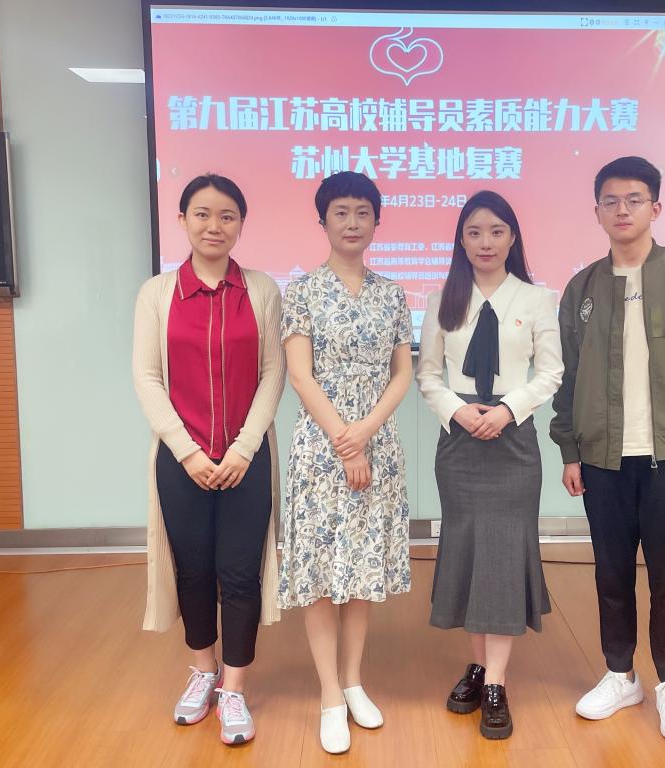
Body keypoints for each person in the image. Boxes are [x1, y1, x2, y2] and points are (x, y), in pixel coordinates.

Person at [550, 156, 665, 742]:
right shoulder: (582, 287)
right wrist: (569, 449)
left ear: (656, 207)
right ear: (597, 211)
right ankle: (620, 674)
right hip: (601, 459)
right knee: (611, 574)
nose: (621, 210)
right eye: (611, 201)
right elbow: (567, 377)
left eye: (633, 199)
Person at [133, 173, 285, 745]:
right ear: (182, 221)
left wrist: (244, 448)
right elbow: (147, 378)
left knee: (240, 573)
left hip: (248, 459)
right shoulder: (156, 294)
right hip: (181, 461)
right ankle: (203, 670)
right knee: (193, 569)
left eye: (227, 216)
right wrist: (188, 452)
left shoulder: (262, 290)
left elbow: (273, 373)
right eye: (202, 214)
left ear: (241, 224)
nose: (214, 226)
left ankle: (235, 688)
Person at [416, 190, 563, 740]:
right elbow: (428, 374)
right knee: (468, 552)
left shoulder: (537, 299)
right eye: (475, 232)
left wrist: (506, 410)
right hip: (459, 444)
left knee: (502, 556)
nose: (486, 242)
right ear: (461, 239)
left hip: (513, 442)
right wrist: (458, 411)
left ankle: (496, 682)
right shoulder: (442, 299)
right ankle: (477, 667)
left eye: (497, 231)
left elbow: (550, 373)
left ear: (512, 237)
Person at [279, 171, 413, 754]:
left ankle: (355, 681)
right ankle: (330, 696)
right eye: (341, 212)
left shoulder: (393, 293)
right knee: (318, 571)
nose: (353, 222)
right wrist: (345, 439)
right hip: (322, 447)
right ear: (323, 221)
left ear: (377, 221)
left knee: (361, 569)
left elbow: (402, 373)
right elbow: (299, 375)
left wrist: (367, 433)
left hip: (377, 442)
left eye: (363, 212)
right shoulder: (302, 291)